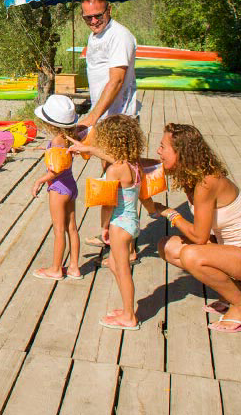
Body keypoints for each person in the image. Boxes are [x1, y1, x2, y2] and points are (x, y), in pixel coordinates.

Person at [147, 123, 241, 332]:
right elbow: (148, 166)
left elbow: (200, 238)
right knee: (168, 246)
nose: (159, 151)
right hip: (234, 248)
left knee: (191, 255)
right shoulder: (191, 176)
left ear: (181, 152)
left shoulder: (206, 183)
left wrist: (170, 213)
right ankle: (236, 289)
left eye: (163, 146)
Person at [69, 114, 152, 330]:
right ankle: (127, 309)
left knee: (122, 269)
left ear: (110, 141)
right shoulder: (133, 164)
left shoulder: (114, 170)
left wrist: (104, 226)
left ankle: (129, 317)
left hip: (118, 224)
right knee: (116, 264)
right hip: (131, 221)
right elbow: (112, 158)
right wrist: (88, 149)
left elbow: (107, 203)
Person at [79, 0, 138, 249]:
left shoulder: (119, 36)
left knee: (123, 180)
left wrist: (91, 117)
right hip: (104, 119)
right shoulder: (96, 37)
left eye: (98, 16)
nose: (93, 22)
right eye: (87, 18)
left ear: (109, 10)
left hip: (120, 120)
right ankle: (107, 232)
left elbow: (116, 80)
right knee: (109, 179)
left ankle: (128, 246)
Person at [30, 94, 84, 281]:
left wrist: (40, 180)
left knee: (59, 230)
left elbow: (55, 170)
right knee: (72, 228)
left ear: (49, 124)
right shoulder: (68, 138)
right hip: (71, 186)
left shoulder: (56, 142)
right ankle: (74, 267)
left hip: (58, 188)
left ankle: (55, 268)